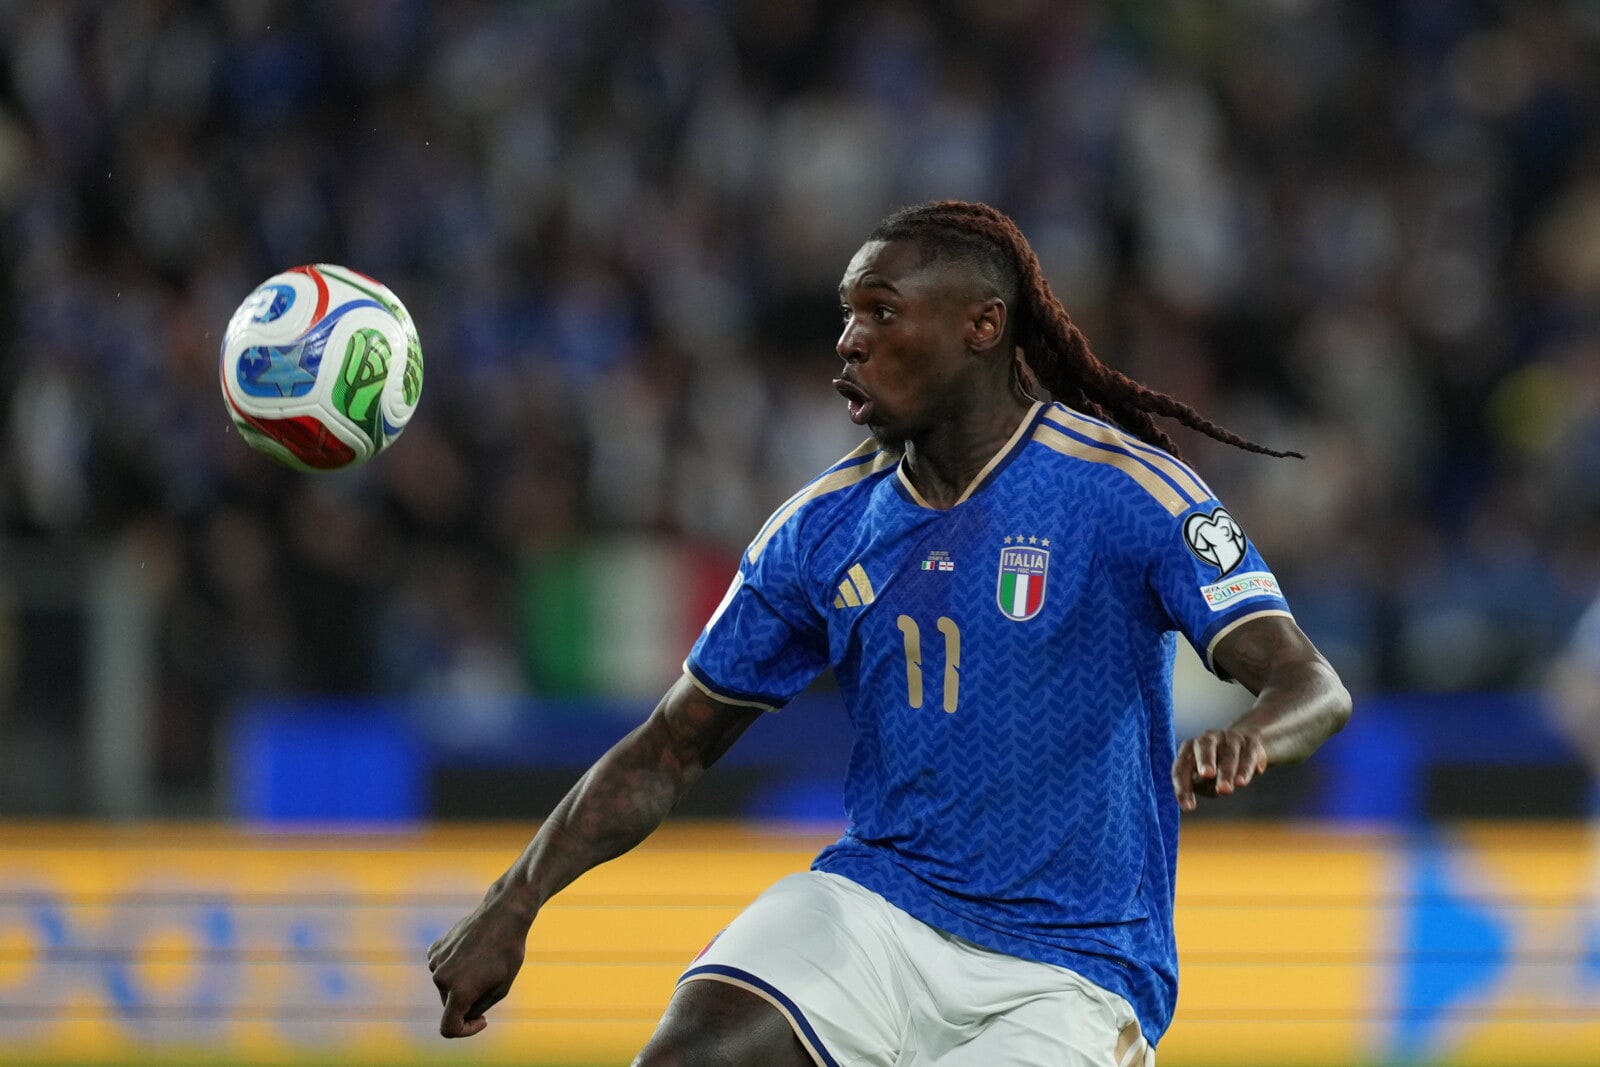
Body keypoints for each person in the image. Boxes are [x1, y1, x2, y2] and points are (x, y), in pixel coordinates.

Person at [427, 200, 1352, 1066]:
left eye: (881, 311)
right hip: (880, 907)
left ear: (981, 326)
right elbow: (671, 745)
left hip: (1075, 961)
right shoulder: (822, 528)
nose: (849, 340)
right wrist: (515, 900)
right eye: (847, 314)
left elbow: (1311, 683)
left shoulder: (1126, 491)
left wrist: (1250, 735)